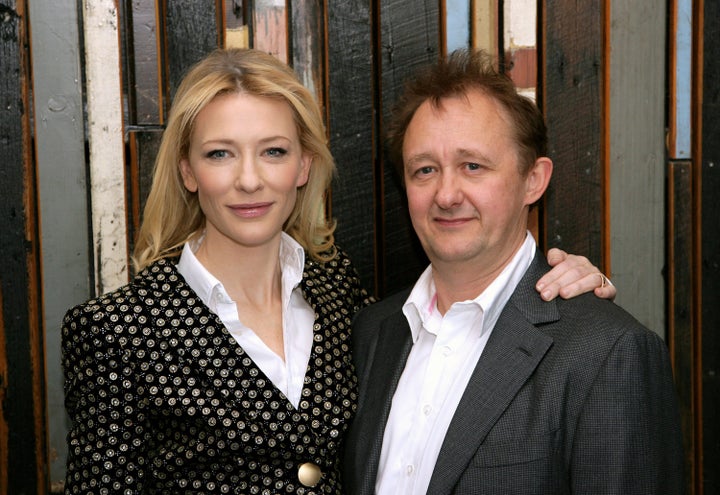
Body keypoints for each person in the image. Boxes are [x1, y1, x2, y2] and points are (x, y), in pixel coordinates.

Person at [61, 48, 614, 494]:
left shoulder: (341, 293)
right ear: (187, 170)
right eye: (220, 154)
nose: (249, 180)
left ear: (304, 165)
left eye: (273, 152)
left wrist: (562, 285)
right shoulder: (116, 332)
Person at [343, 49, 684, 495]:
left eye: (473, 166)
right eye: (424, 170)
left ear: (533, 180)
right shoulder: (373, 334)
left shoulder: (607, 353)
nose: (446, 194)